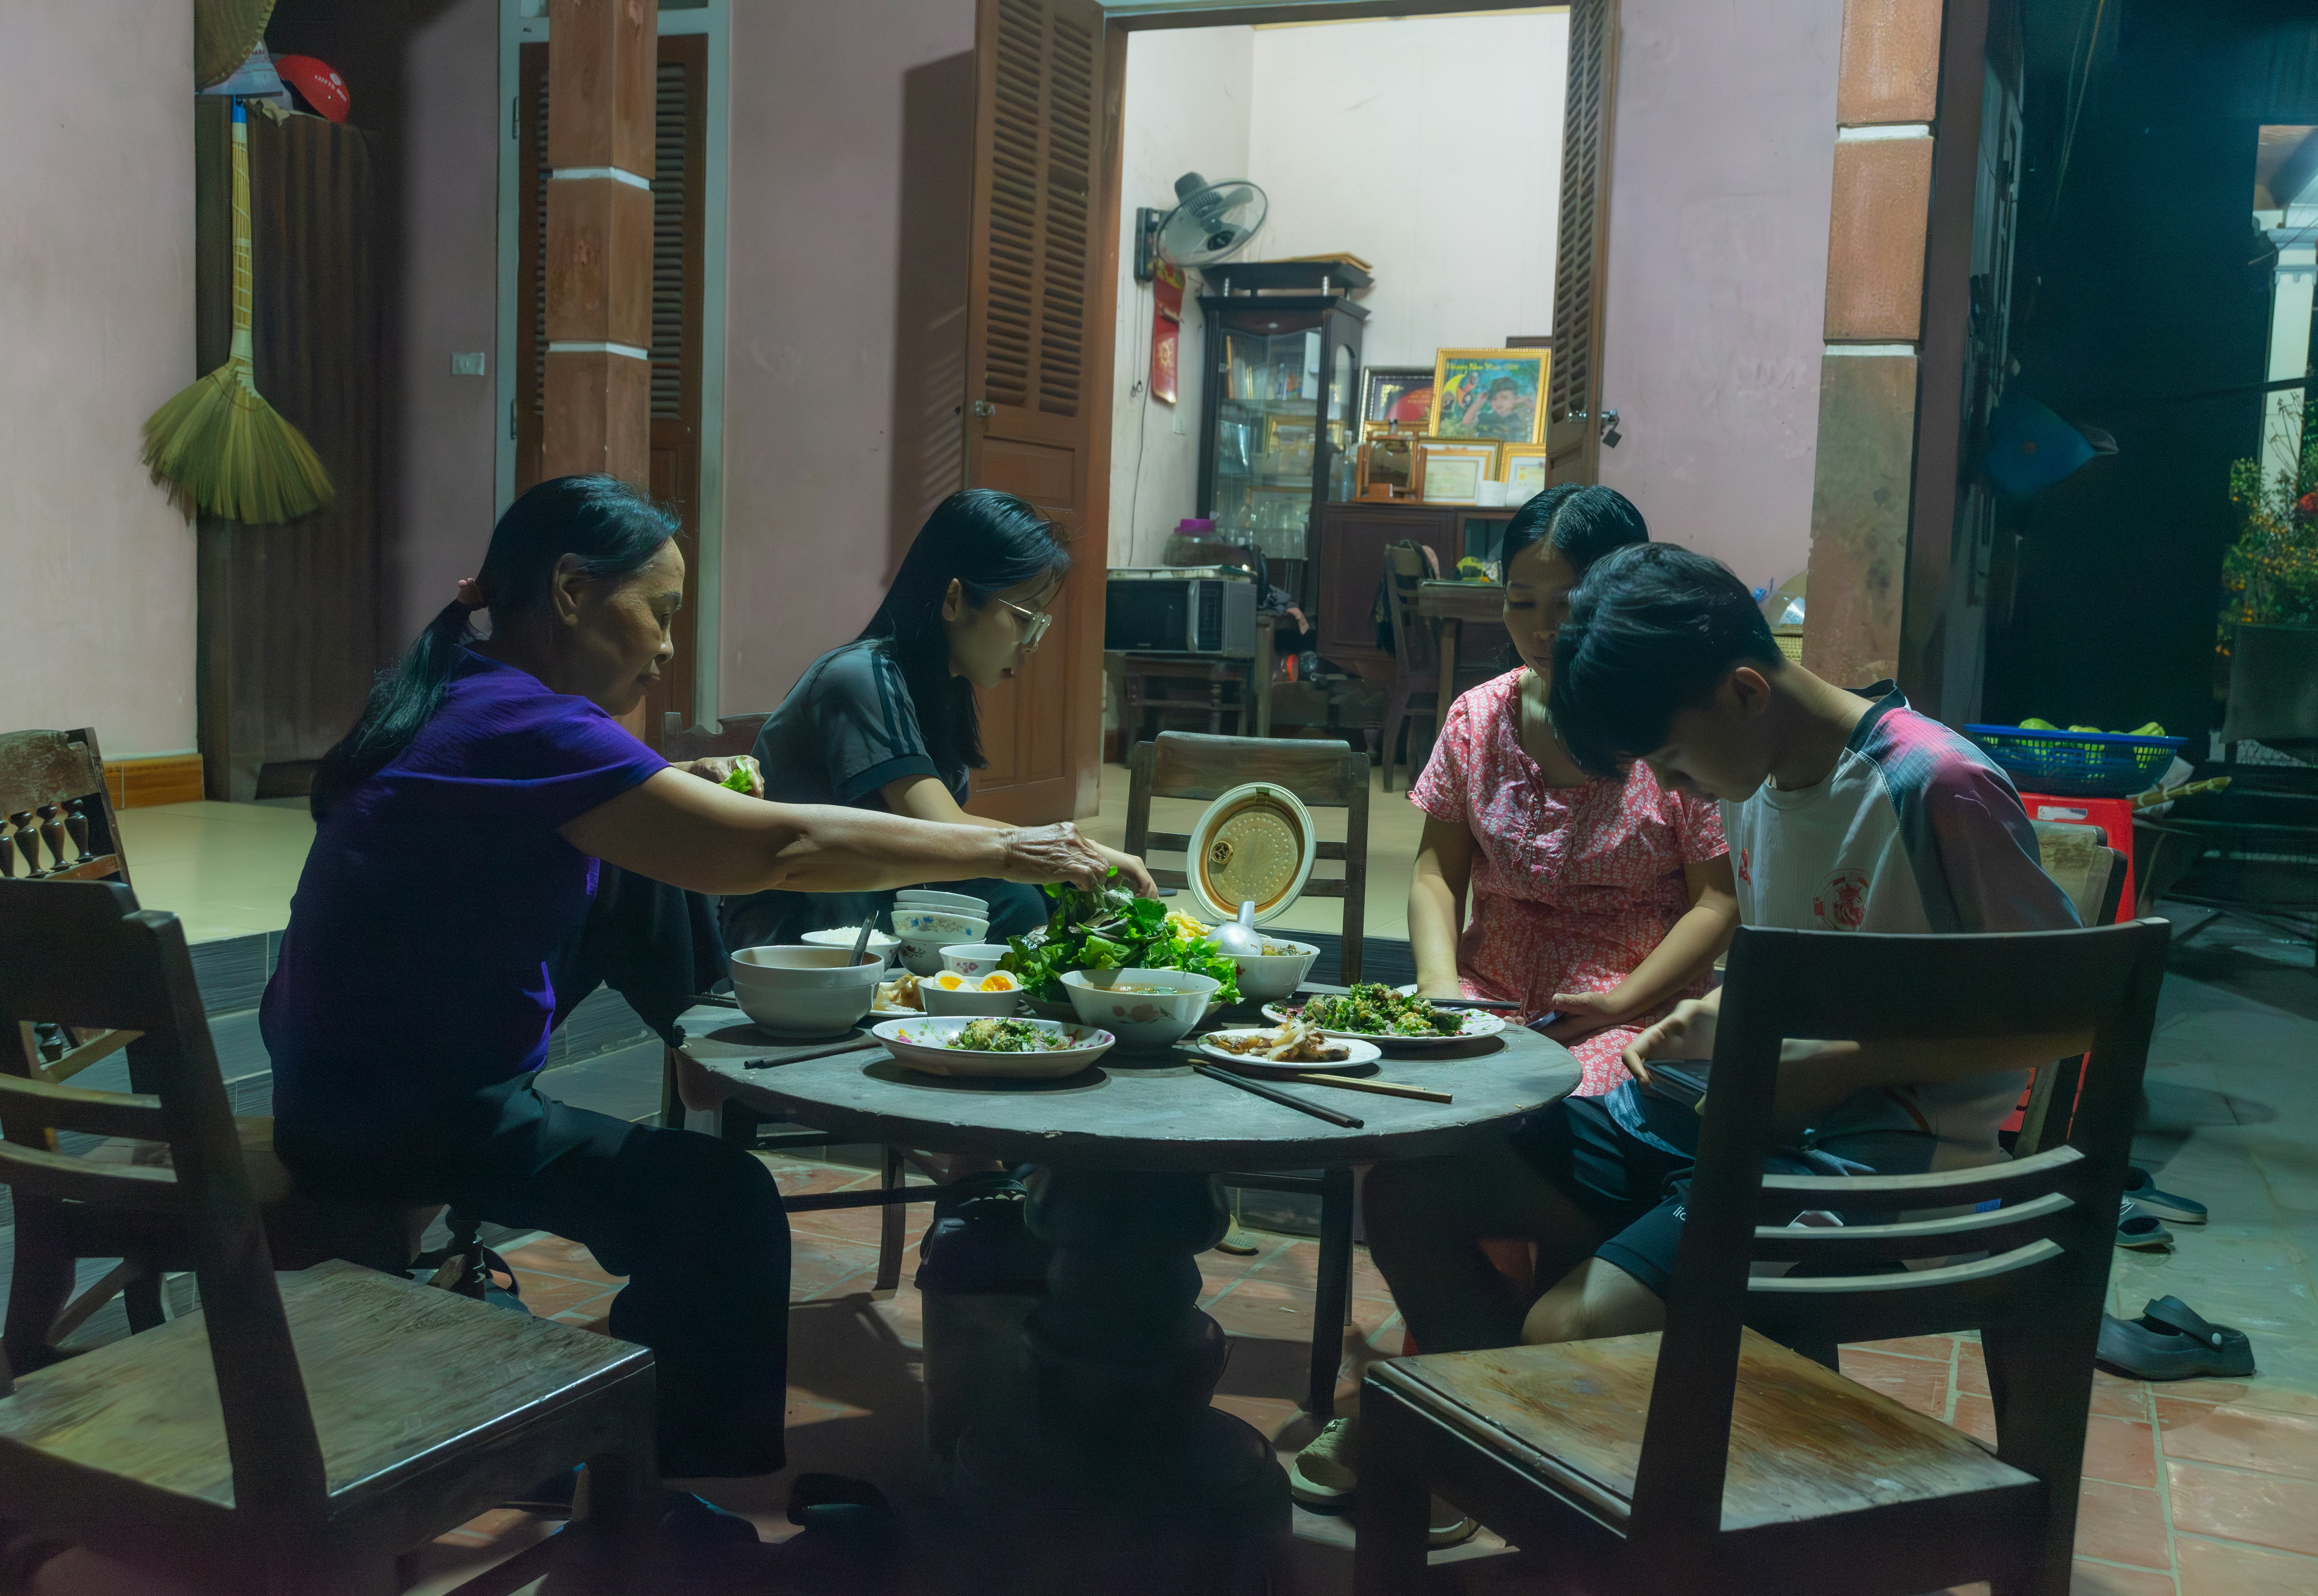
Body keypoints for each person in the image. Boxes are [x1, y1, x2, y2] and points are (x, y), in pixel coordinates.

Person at [262, 475, 1111, 1496]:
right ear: (573, 589)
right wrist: (1012, 849)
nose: (669, 646)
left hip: (354, 1082)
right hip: (398, 1113)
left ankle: (715, 1055)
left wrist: (682, 803)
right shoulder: (524, 726)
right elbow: (787, 846)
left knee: (639, 862)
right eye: (659, 611)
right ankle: (668, 1501)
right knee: (722, 1205)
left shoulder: (464, 691)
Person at [1296, 541, 2082, 1515]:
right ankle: (1503, 1462)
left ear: (1747, 689)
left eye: (1671, 759)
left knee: (1564, 1327)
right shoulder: (1753, 780)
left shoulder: (1933, 785)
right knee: (1416, 1187)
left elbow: (2067, 1013)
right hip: (1734, 1113)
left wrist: (1830, 1067)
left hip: (1880, 1153)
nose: (1677, 789)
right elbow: (1801, 980)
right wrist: (1728, 1020)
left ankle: (1517, 1471)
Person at [1407, 485, 1736, 1097]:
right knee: (1405, 1093)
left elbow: (1717, 901)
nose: (1541, 630)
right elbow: (1436, 872)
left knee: (1557, 1107)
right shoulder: (1476, 719)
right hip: (1487, 995)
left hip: (1633, 1003)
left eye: (1568, 604)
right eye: (1520, 602)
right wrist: (1439, 991)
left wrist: (1617, 1003)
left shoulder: (1671, 724)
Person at [723, 488, 1153, 954]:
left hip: (871, 899)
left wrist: (1075, 859)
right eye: (1022, 618)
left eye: (1039, 626)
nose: (1031, 644)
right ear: (954, 599)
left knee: (1046, 901)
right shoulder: (859, 676)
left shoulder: (941, 687)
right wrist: (1089, 853)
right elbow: (939, 826)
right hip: (800, 920)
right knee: (1017, 901)